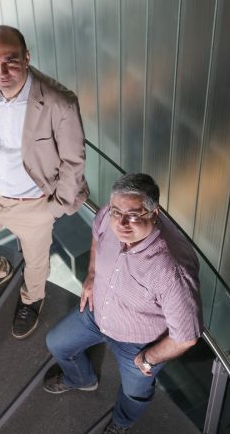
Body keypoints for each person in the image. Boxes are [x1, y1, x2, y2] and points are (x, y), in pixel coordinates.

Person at [0, 25, 88, 339]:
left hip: (33, 205)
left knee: (36, 265)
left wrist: (53, 210)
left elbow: (73, 162)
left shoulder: (59, 103)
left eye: (11, 60)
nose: (1, 71)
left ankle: (32, 299)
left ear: (27, 58)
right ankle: (0, 270)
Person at [43, 173, 202, 434]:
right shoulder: (111, 213)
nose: (122, 222)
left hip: (138, 342)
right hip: (97, 312)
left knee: (134, 394)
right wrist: (92, 273)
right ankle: (81, 379)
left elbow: (186, 337)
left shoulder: (171, 270)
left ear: (154, 213)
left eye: (134, 215)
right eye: (118, 212)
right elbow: (97, 231)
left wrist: (149, 359)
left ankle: (122, 422)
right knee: (56, 343)